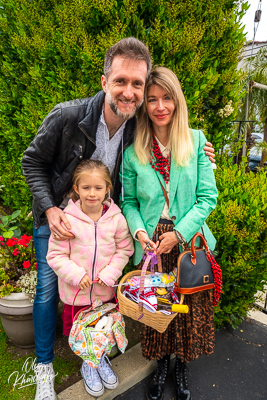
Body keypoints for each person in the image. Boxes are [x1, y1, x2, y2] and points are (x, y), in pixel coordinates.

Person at [21, 37, 215, 400]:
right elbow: (32, 162)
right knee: (49, 293)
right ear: (104, 81)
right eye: (121, 81)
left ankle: (96, 355)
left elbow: (171, 135)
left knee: (104, 293)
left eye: (137, 84)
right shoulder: (68, 116)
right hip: (61, 223)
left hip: (104, 226)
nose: (130, 91)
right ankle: (44, 368)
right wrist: (50, 208)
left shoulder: (136, 126)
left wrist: (202, 147)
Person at [120, 67, 218, 400]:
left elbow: (208, 198)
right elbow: (129, 201)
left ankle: (182, 365)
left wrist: (179, 233)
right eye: (152, 100)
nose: (160, 106)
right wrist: (138, 232)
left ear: (177, 100)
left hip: (187, 242)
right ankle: (161, 363)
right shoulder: (134, 153)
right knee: (158, 310)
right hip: (152, 245)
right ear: (144, 105)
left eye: (166, 98)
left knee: (188, 309)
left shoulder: (197, 142)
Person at [47, 160, 134, 397]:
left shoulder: (116, 219)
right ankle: (89, 364)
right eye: (86, 187)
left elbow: (124, 249)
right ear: (76, 188)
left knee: (102, 331)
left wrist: (110, 273)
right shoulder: (67, 219)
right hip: (77, 294)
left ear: (108, 188)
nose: (92, 193)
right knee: (84, 333)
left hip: (104, 293)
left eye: (98, 187)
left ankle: (101, 359)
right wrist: (77, 274)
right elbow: (55, 255)